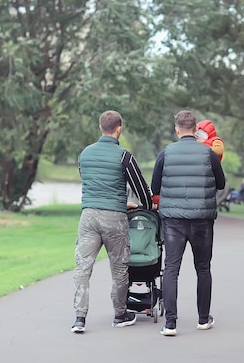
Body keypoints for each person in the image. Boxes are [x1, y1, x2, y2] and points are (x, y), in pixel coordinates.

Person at [72, 110, 154, 334]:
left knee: (82, 267)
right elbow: (141, 190)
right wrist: (146, 205)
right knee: (119, 268)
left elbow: (89, 181)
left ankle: (79, 318)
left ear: (101, 127)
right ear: (119, 129)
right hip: (114, 218)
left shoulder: (85, 154)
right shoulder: (124, 156)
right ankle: (120, 314)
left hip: (88, 216)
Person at [151, 110, 226, 336]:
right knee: (203, 268)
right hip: (202, 219)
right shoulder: (208, 153)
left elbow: (155, 188)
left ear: (177, 130)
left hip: (173, 221)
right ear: (196, 130)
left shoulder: (166, 153)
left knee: (172, 269)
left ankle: (170, 323)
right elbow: (221, 183)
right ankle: (203, 319)